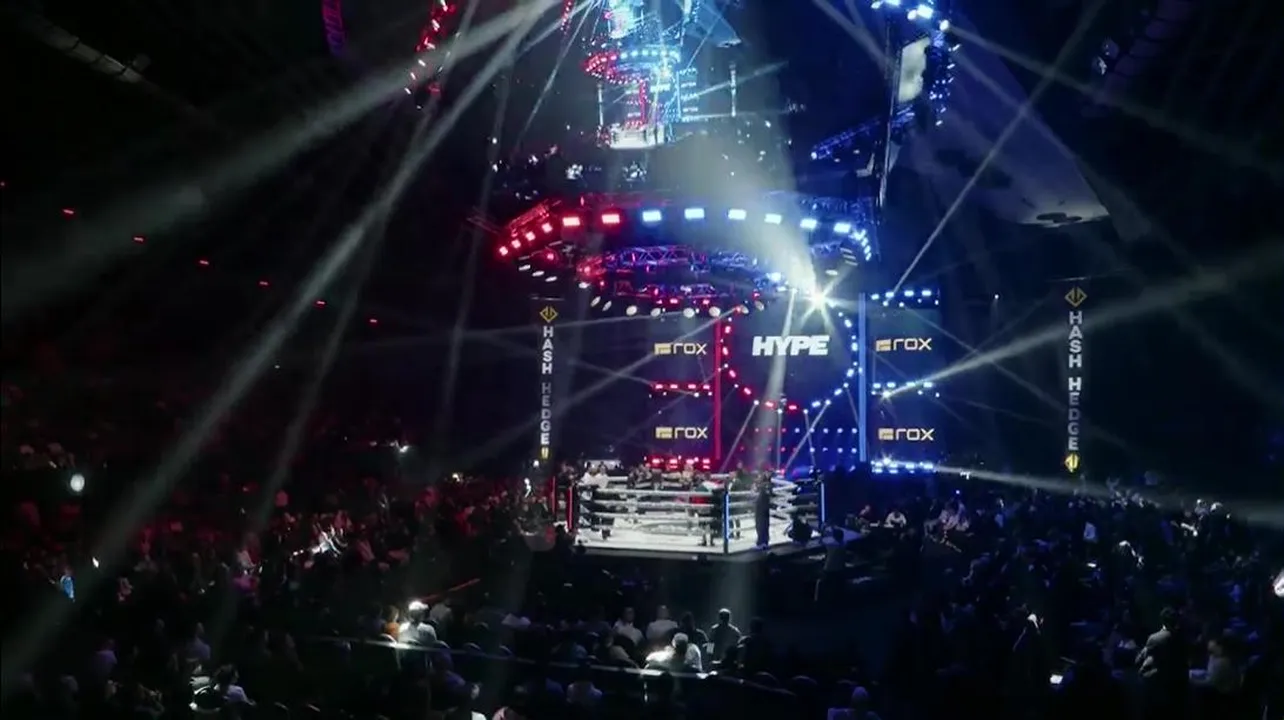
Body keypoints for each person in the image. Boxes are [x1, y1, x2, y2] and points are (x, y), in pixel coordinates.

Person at [754, 474, 772, 548]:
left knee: (760, 525)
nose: (757, 479)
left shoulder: (763, 486)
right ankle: (764, 542)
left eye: (759, 477)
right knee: (765, 525)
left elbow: (755, 494)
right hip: (765, 508)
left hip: (761, 509)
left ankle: (761, 542)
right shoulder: (768, 485)